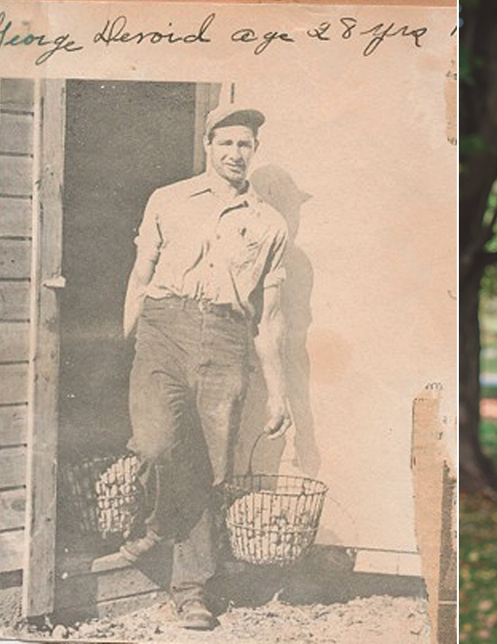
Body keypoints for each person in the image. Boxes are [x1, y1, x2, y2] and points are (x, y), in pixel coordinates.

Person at [113, 103, 291, 630]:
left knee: (209, 469)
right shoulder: (167, 201)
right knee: (155, 444)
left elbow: (273, 318)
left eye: (246, 145)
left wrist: (278, 392)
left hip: (226, 339)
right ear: (209, 145)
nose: (236, 154)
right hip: (164, 329)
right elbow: (139, 277)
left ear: (253, 153)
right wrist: (122, 346)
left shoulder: (270, 224)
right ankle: (156, 520)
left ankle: (191, 590)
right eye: (227, 143)